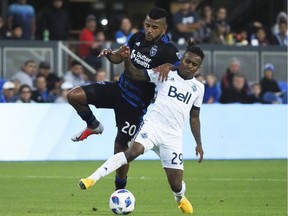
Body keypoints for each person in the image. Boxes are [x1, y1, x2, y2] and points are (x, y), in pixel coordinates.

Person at [78, 41, 205, 214]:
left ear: (198, 67)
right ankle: (91, 179)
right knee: (130, 153)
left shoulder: (198, 88)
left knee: (176, 184)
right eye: (187, 61)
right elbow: (135, 74)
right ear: (181, 59)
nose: (189, 66)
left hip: (173, 137)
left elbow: (195, 117)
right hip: (153, 127)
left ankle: (180, 198)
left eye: (194, 64)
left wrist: (198, 143)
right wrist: (127, 59)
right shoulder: (164, 73)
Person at [67, 8, 181, 190]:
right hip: (118, 89)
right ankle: (93, 125)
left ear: (164, 29)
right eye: (147, 25)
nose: (149, 30)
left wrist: (170, 65)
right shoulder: (137, 37)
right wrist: (111, 55)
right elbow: (120, 58)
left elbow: (183, 67)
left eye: (154, 27)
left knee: (121, 149)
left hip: (135, 105)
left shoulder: (168, 49)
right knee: (74, 95)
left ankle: (120, 190)